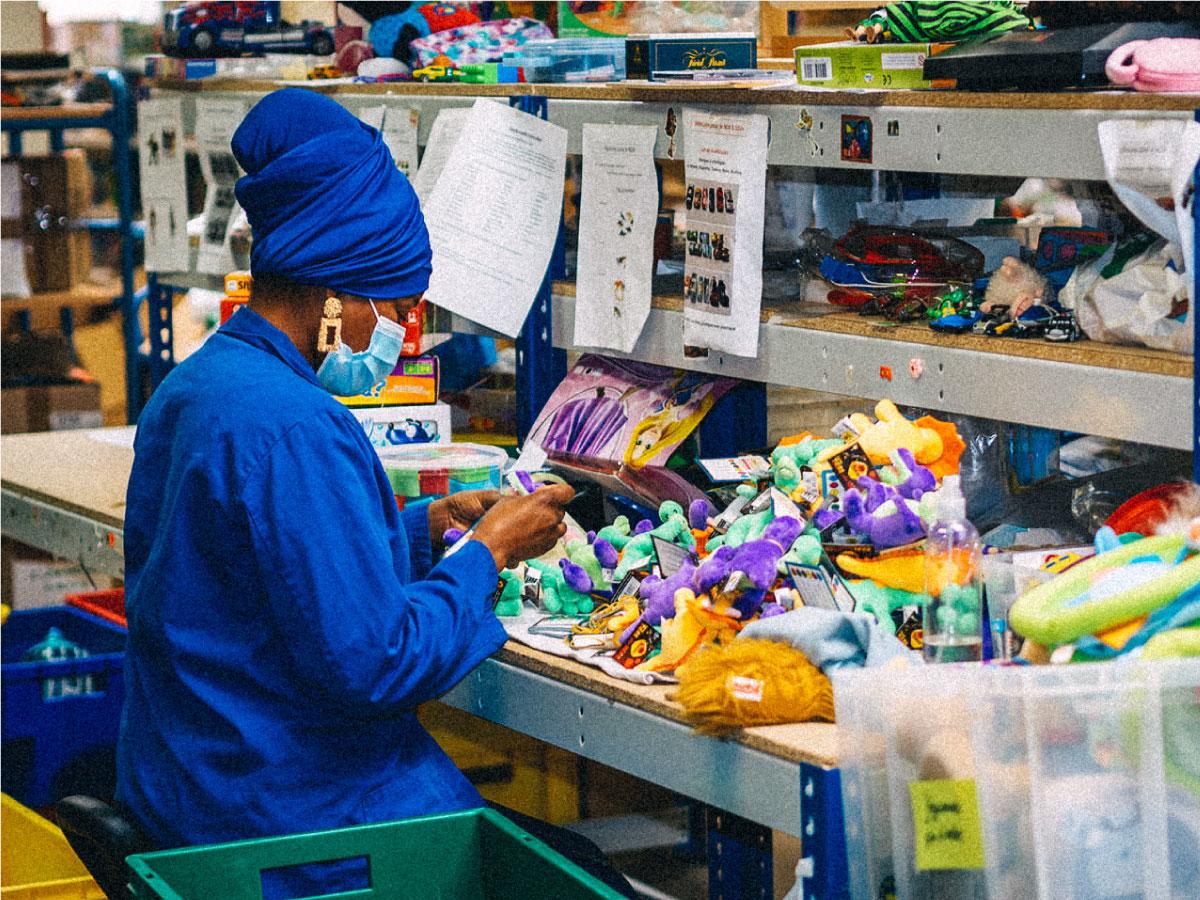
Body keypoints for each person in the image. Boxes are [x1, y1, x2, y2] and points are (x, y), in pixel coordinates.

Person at [117, 89, 632, 896]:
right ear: (335, 299)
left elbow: (253, 576)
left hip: (192, 782)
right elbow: (377, 661)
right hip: (289, 814)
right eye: (394, 309)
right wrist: (490, 552)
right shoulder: (297, 426)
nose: (400, 337)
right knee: (586, 874)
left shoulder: (199, 386)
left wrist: (422, 527)